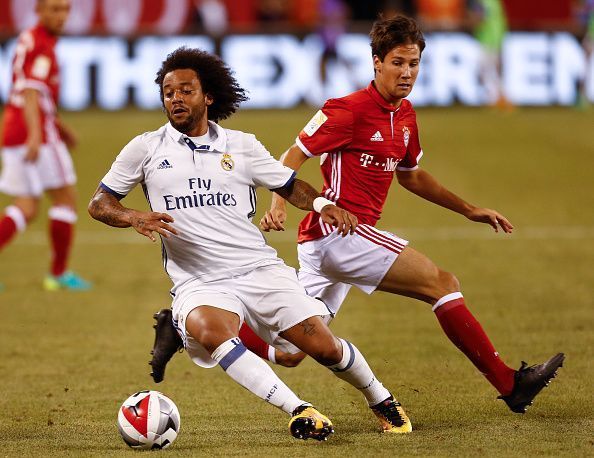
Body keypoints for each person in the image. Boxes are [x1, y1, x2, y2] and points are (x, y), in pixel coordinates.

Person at [89, 47, 413, 439]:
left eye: (186, 90)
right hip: (198, 281)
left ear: (208, 96)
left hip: (258, 269)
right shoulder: (145, 148)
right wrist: (133, 216)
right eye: (168, 91)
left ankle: (381, 399)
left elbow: (289, 184)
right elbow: (99, 203)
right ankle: (300, 410)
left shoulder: (240, 145)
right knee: (210, 329)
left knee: (318, 349)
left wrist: (324, 204)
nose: (175, 98)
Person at [256, 15, 562, 414]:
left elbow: (412, 177)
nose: (407, 72)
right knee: (441, 283)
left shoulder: (405, 115)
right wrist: (278, 202)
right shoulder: (345, 111)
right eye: (398, 62)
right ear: (377, 62)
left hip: (327, 246)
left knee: (295, 348)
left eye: (414, 63)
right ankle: (510, 383)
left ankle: (204, 329)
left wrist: (469, 210)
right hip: (339, 231)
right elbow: (293, 155)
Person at [0, 0, 91, 291]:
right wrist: (37, 136)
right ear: (38, 10)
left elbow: (32, 93)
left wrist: (62, 128)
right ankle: (58, 273)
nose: (61, 16)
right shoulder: (41, 44)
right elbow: (30, 92)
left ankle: (58, 272)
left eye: (65, 9)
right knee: (66, 199)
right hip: (33, 134)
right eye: (54, 9)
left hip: (13, 130)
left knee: (25, 206)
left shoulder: (30, 39)